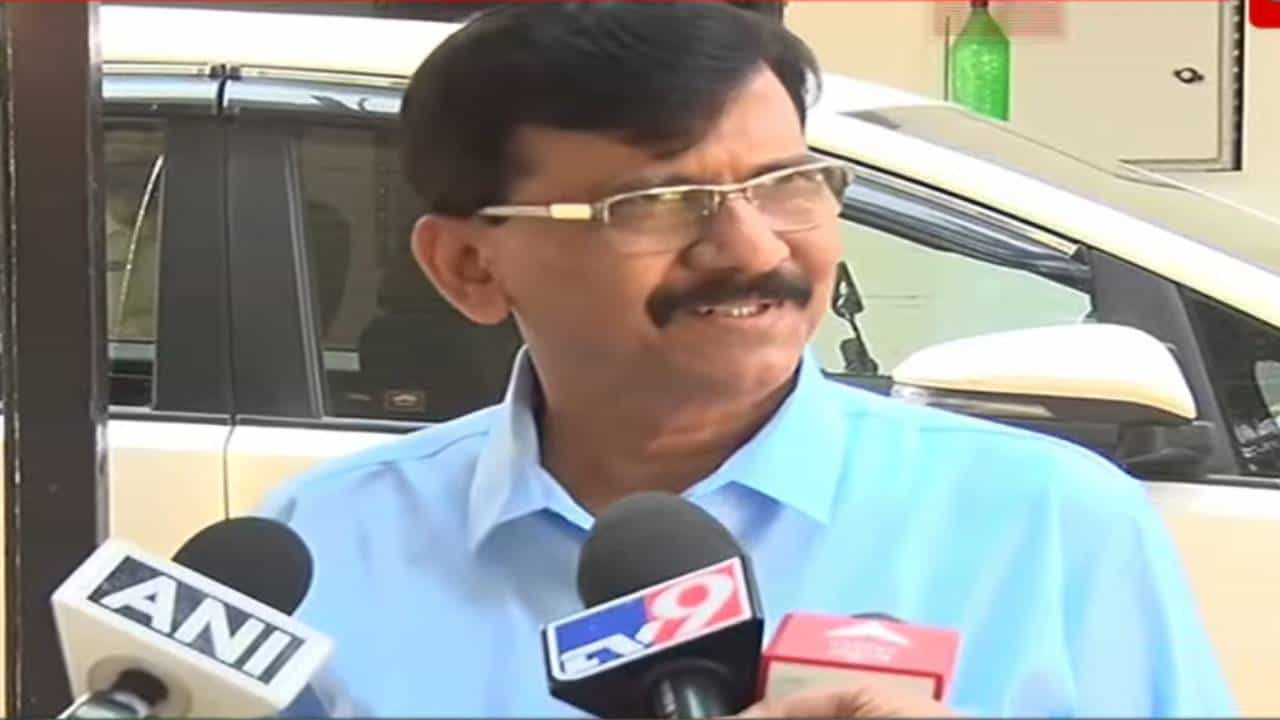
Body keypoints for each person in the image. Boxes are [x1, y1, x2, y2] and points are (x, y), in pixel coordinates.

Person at [259, 3, 1234, 717]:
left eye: (786, 184)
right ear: (469, 266)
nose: (753, 249)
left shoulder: (1050, 526)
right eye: (655, 204)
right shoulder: (322, 545)